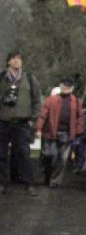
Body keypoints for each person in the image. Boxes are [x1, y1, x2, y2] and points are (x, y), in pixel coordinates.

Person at [0, 50, 40, 196]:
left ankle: (29, 184)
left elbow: (37, 100)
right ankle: (2, 183)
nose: (17, 61)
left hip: (22, 123)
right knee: (1, 154)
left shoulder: (29, 78)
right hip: (3, 122)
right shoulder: (2, 78)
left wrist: (32, 119)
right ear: (8, 62)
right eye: (13, 59)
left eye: (19, 58)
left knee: (23, 154)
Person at [36, 78, 83, 188]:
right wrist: (38, 129)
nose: (66, 88)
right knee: (50, 156)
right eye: (64, 85)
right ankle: (48, 175)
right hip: (50, 133)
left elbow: (79, 117)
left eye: (68, 86)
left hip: (67, 135)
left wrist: (78, 131)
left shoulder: (76, 101)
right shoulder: (50, 99)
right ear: (60, 86)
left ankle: (55, 181)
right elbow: (42, 115)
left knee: (62, 159)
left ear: (72, 88)